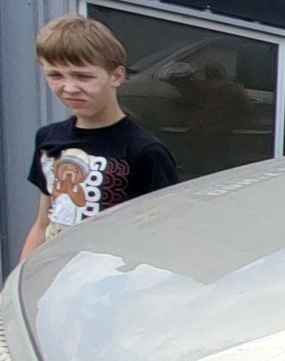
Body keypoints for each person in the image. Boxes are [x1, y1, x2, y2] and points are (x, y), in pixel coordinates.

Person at [22, 15, 178, 259]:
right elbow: (42, 224)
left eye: (83, 76)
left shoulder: (145, 151)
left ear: (116, 76)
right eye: (55, 75)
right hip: (56, 275)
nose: (69, 87)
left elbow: (165, 237)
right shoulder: (48, 139)